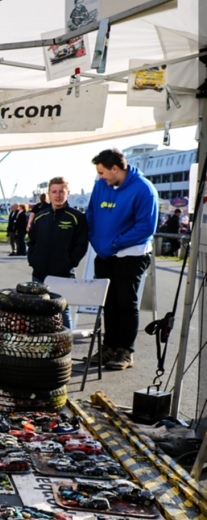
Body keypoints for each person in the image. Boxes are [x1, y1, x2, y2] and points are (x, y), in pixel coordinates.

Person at [86, 148, 158, 371]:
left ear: (115, 169)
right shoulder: (101, 186)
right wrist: (97, 241)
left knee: (126, 304)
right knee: (108, 303)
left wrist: (116, 243)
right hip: (105, 254)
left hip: (131, 255)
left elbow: (146, 227)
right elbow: (91, 214)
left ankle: (125, 351)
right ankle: (109, 347)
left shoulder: (144, 189)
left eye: (102, 172)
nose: (100, 177)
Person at [27, 177, 89, 329]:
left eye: (61, 191)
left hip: (63, 274)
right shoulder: (40, 216)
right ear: (49, 193)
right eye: (54, 191)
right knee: (38, 312)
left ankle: (64, 349)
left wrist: (69, 263)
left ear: (68, 193)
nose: (58, 195)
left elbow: (81, 245)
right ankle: (41, 348)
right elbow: (32, 241)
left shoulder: (76, 217)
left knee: (62, 312)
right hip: (39, 274)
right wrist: (33, 260)